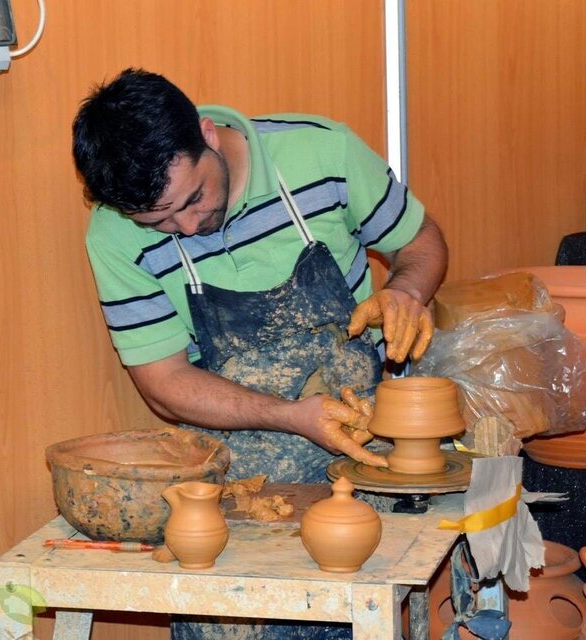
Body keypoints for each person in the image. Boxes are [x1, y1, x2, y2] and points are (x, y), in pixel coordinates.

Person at [72, 68, 448, 639]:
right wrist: (290, 416)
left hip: (368, 454)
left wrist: (406, 292)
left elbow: (419, 242)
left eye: (193, 198)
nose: (187, 227)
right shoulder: (113, 234)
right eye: (159, 221)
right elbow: (164, 383)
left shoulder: (322, 153)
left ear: (208, 134)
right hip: (238, 482)